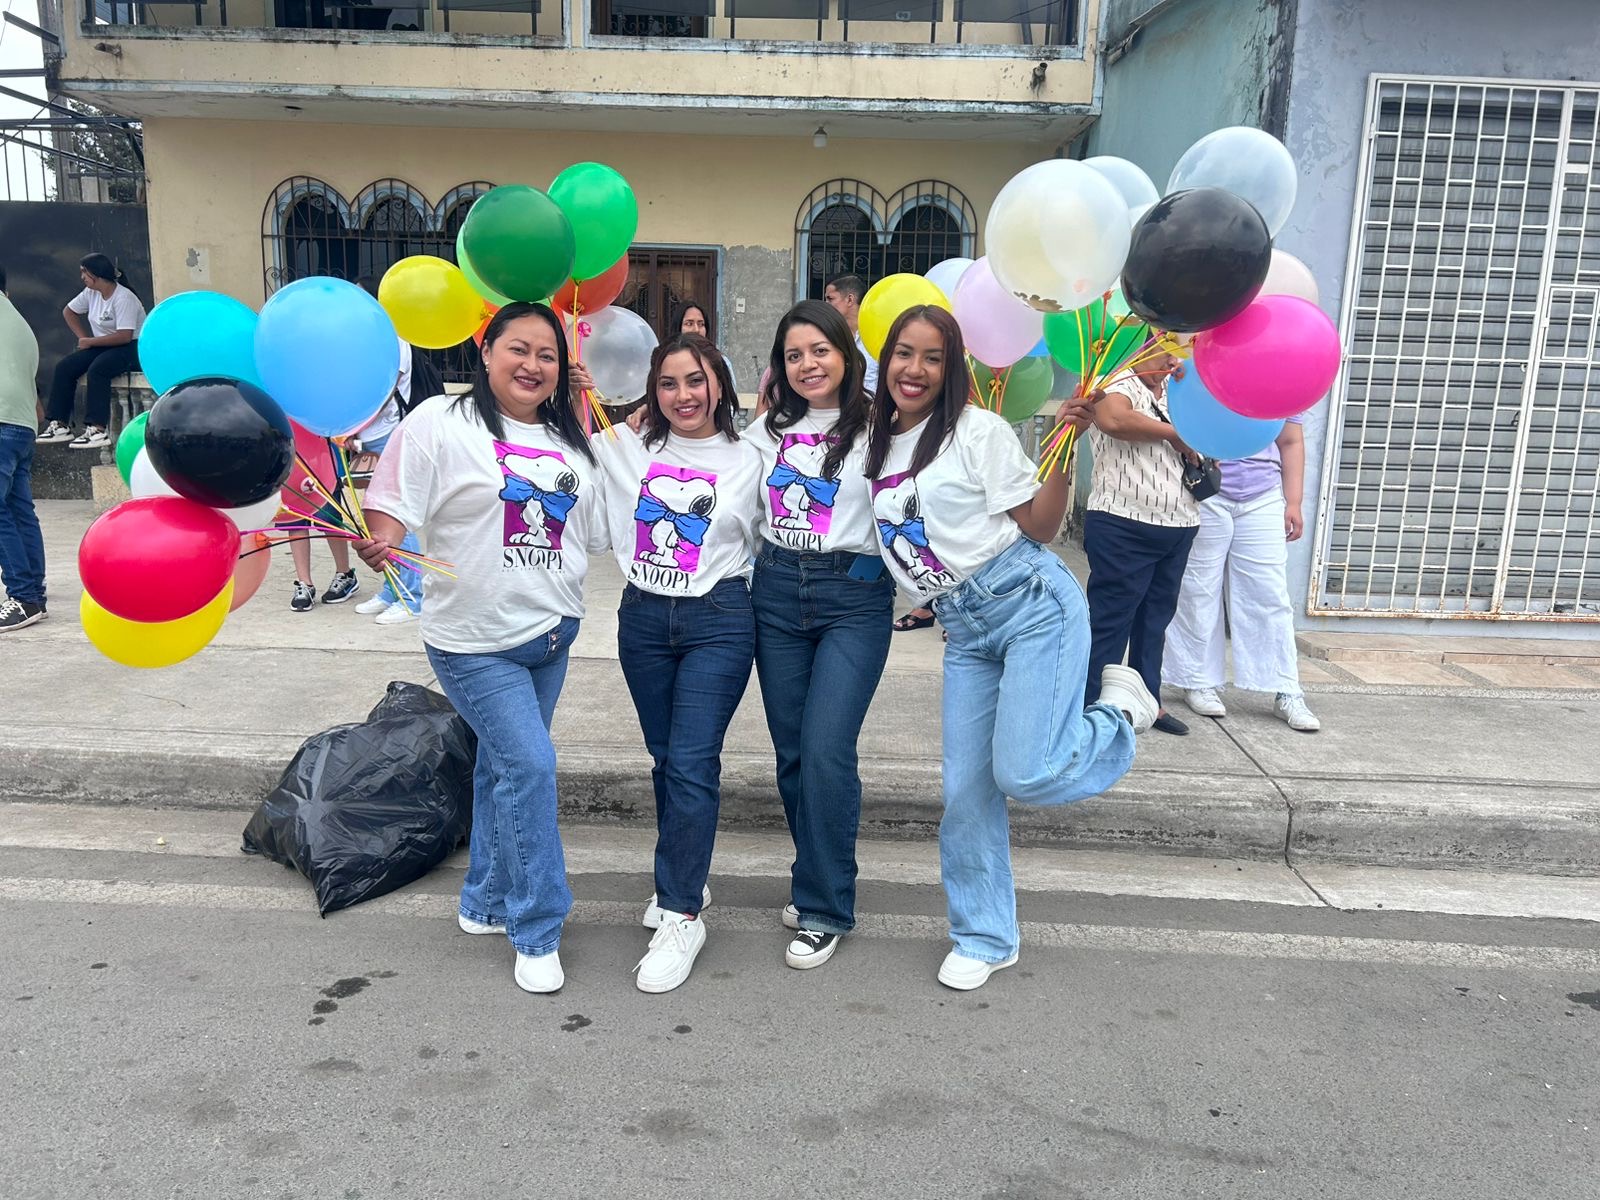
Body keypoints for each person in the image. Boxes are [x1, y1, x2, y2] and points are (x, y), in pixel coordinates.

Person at [864, 305, 1153, 991]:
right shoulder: (874, 443)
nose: (915, 369)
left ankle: (1118, 714)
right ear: (886, 359)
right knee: (966, 791)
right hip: (963, 629)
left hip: (1029, 603)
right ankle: (986, 936)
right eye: (904, 353)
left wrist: (1063, 448)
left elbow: (1042, 527)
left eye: (933, 357)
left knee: (1025, 772)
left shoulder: (976, 431)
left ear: (953, 368)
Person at [355, 302, 606, 995]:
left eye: (548, 355)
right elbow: (394, 501)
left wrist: (593, 417)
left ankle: (485, 900)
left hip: (552, 634)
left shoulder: (567, 437)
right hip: (474, 642)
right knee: (531, 766)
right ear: (486, 350)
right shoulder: (441, 421)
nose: (533, 365)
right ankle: (538, 927)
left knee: (503, 768)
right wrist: (383, 540)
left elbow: (591, 529)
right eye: (518, 348)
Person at [590, 334, 762, 994]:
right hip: (642, 619)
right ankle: (683, 876)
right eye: (668, 383)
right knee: (665, 759)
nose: (683, 395)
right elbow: (560, 455)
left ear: (719, 385)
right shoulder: (624, 446)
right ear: (651, 391)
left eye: (696, 381)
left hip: (719, 619)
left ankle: (682, 912)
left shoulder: (753, 456)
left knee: (692, 761)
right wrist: (580, 392)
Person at [743, 298, 891, 971]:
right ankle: (814, 878)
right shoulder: (766, 432)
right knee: (793, 753)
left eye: (820, 350)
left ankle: (826, 906)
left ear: (846, 353)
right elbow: (712, 472)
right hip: (776, 591)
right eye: (794, 355)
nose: (808, 364)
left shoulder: (884, 424)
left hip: (853, 597)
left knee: (827, 747)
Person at [1163, 417, 1321, 732]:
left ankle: (1286, 689)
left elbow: (1290, 441)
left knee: (1270, 595)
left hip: (1263, 495)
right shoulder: (1203, 381)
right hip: (1205, 488)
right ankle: (1197, 680)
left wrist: (1294, 502)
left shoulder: (1280, 389)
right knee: (1198, 590)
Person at [1081, 355, 1201, 736]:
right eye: (1163, 345)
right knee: (1111, 621)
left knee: (1154, 623)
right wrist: (1174, 434)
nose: (1171, 356)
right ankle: (1091, 706)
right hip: (1124, 524)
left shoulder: (1175, 390)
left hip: (1179, 523)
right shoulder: (1113, 378)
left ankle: (1149, 701)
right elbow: (1114, 420)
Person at [36, 253, 145, 451]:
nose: (82, 277)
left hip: (131, 347)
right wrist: (83, 338)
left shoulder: (124, 298)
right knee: (65, 367)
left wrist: (90, 341)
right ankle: (60, 424)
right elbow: (69, 311)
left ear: (97, 274)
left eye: (84, 272)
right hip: (104, 345)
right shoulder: (90, 292)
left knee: (98, 369)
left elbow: (124, 336)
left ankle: (97, 429)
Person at [0, 265, 47, 632]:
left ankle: (23, 597)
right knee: (19, 511)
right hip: (21, 425)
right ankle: (34, 595)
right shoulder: (18, 321)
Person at [823, 274, 879, 397]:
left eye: (830, 299)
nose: (826, 304)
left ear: (850, 299)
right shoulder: (829, 336)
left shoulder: (878, 335)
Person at [672, 299, 739, 395]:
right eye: (689, 323)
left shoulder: (720, 361)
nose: (696, 329)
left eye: (701, 324)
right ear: (678, 327)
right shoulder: (668, 361)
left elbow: (730, 399)